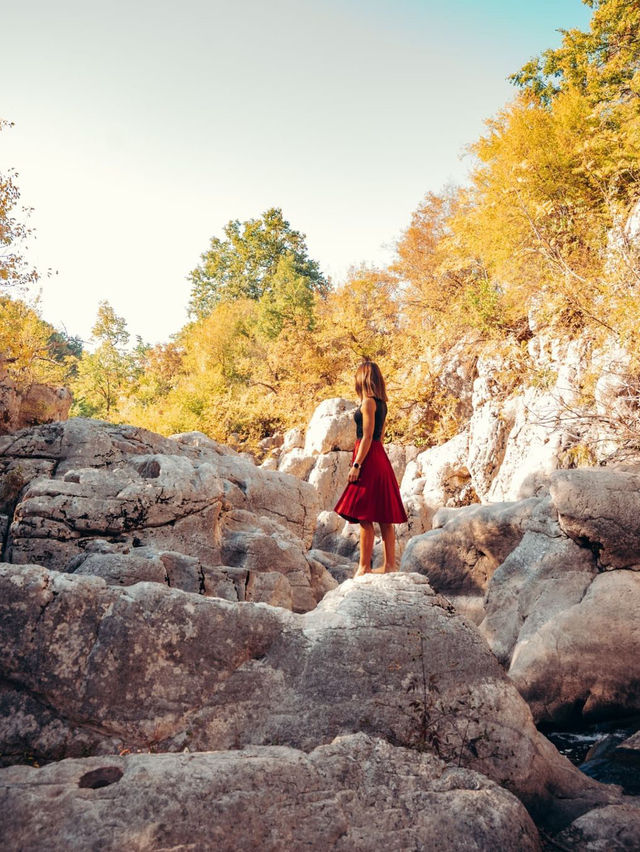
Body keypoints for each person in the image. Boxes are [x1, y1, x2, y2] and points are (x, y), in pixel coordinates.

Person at [333, 360, 408, 577]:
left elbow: (366, 436)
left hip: (367, 458)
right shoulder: (382, 403)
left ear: (362, 379)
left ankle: (364, 568)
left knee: (365, 516)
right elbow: (380, 437)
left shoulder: (367, 403)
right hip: (379, 458)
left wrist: (357, 464)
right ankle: (390, 566)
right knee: (384, 517)